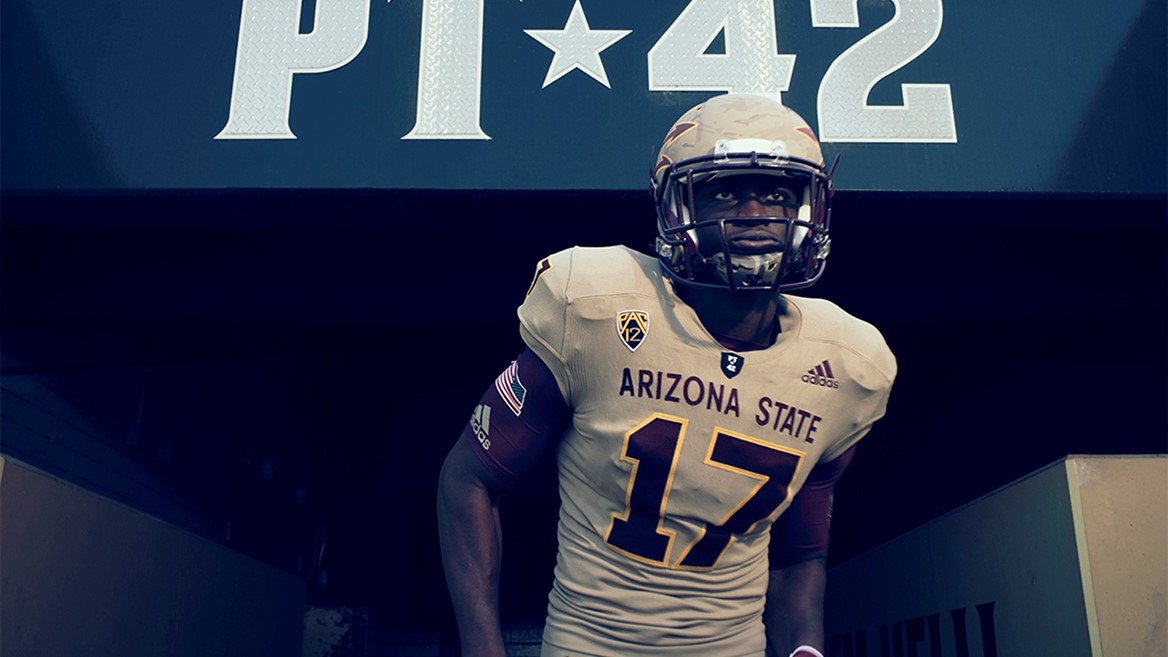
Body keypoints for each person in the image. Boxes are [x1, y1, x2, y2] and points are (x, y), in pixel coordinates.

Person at [437, 93, 896, 657]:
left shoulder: (849, 363)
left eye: (778, 194)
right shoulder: (595, 307)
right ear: (675, 206)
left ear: (812, 208)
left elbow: (800, 555)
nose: (755, 214)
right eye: (724, 192)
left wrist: (805, 649)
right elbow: (469, 480)